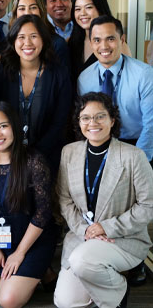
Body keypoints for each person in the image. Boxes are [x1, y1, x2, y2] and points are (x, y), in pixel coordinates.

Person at [54, 92, 153, 308]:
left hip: (123, 238)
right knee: (65, 301)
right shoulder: (69, 152)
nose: (93, 123)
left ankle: (117, 290)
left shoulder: (134, 156)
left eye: (100, 116)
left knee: (83, 262)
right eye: (86, 118)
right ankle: (109, 287)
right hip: (82, 236)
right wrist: (86, 231)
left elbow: (147, 206)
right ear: (78, 122)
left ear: (112, 120)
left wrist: (105, 228)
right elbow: (64, 200)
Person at [0, 101, 57, 308]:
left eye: (3, 126)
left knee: (7, 300)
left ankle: (40, 268)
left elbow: (43, 213)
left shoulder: (33, 161)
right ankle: (32, 274)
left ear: (15, 128)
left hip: (32, 240)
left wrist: (19, 254)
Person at [0, 15, 71, 173]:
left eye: (34, 36)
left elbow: (60, 122)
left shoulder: (59, 74)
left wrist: (34, 155)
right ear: (13, 40)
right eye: (21, 37)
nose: (27, 43)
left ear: (44, 39)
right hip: (6, 154)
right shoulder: (0, 71)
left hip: (46, 156)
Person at [78, 16, 153, 164]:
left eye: (110, 39)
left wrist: (138, 160)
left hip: (136, 144)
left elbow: (151, 124)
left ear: (122, 40)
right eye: (97, 40)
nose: (104, 46)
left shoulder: (144, 74)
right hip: (99, 144)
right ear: (91, 43)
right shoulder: (84, 78)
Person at [68, 0, 131, 83]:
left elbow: (128, 80)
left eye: (89, 7)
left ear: (100, 8)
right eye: (78, 9)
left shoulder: (118, 45)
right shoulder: (71, 41)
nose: (82, 13)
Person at [9, 0, 71, 71]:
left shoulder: (57, 43)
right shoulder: (10, 40)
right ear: (15, 14)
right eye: (22, 8)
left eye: (33, 7)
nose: (27, 13)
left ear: (41, 11)